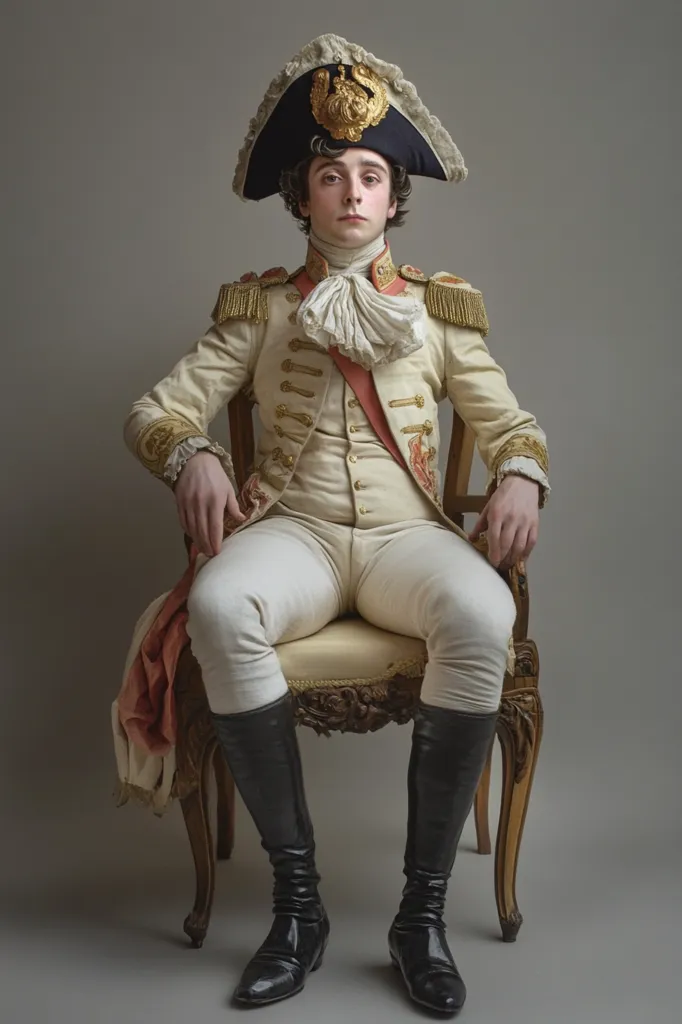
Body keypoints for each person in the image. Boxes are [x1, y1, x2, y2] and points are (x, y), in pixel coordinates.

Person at [120, 33, 550, 1016]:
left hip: (409, 539)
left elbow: (509, 425)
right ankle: (299, 908)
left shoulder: (441, 312)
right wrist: (190, 456)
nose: (352, 192)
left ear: (394, 197)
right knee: (224, 602)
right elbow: (157, 410)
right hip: (297, 532)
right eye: (330, 175)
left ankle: (421, 918)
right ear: (302, 197)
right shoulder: (261, 308)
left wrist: (521, 474)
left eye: (369, 174)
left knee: (483, 614)